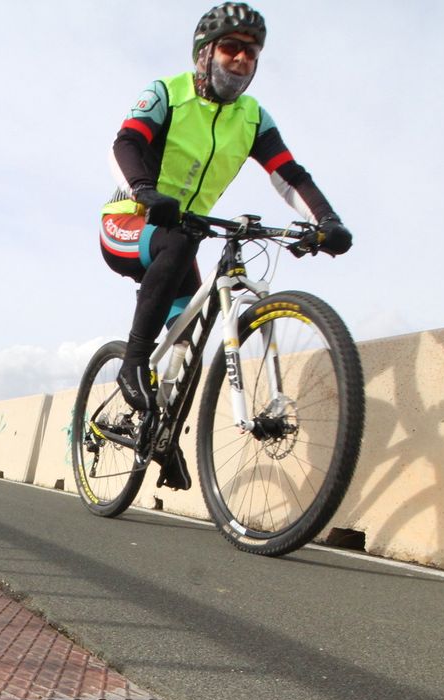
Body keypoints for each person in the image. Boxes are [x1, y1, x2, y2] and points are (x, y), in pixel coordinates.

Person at [99, 3, 353, 487]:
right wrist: (146, 192)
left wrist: (327, 220)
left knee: (189, 343)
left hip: (182, 238)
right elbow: (126, 144)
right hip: (130, 223)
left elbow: (289, 175)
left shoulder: (252, 117)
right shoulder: (167, 92)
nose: (242, 60)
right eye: (232, 48)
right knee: (176, 244)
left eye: (251, 53)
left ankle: (160, 436)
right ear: (205, 54)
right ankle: (132, 362)